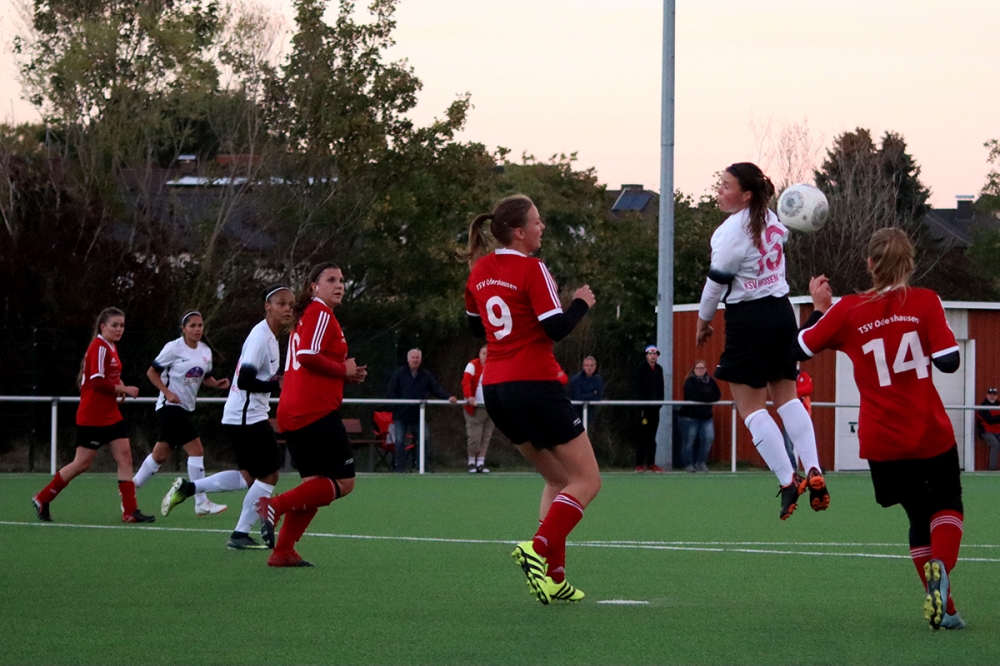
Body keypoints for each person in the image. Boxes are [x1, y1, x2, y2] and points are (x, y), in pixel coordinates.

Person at [795, 227, 966, 630]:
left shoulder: (848, 309)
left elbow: (799, 348)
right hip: (929, 429)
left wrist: (821, 308)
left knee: (916, 515)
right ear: (911, 263)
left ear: (869, 264)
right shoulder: (925, 301)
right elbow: (949, 362)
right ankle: (942, 566)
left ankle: (948, 610)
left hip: (882, 438)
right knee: (947, 503)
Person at [464, 193, 601, 604]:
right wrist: (581, 303)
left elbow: (476, 329)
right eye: (537, 222)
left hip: (498, 390)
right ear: (519, 232)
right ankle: (538, 549)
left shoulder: (480, 269)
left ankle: (554, 580)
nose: (542, 227)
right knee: (588, 481)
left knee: (557, 480)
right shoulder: (532, 268)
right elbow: (556, 328)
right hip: (535, 384)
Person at [695, 162, 828, 520]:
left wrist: (702, 323)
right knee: (787, 398)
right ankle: (814, 467)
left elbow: (714, 287)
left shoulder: (729, 233)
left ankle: (789, 480)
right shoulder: (771, 218)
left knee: (752, 409)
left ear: (747, 194)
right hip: (781, 311)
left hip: (748, 319)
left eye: (726, 185)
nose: (719, 191)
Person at [161, 286, 295, 550]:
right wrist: (280, 385)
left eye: (291, 304)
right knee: (269, 476)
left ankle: (189, 489)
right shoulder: (260, 337)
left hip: (242, 416)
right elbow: (245, 380)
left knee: (248, 477)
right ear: (267, 306)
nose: (288, 308)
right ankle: (240, 534)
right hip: (248, 417)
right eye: (281, 303)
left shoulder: (270, 336)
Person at [256, 263, 368, 567]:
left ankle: (282, 551)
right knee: (344, 483)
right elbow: (306, 356)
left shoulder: (310, 315)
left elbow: (313, 356)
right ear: (313, 287)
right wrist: (342, 369)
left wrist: (347, 374)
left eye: (342, 280)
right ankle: (275, 505)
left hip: (297, 410)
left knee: (315, 486)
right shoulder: (319, 312)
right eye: (331, 279)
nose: (339, 284)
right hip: (313, 410)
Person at [32, 307, 155, 523]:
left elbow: (108, 377)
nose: (119, 329)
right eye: (114, 325)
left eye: (122, 325)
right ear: (103, 326)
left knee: (125, 456)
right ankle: (43, 498)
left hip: (111, 414)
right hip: (93, 416)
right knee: (81, 463)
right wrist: (123, 389)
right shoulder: (99, 347)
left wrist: (119, 385)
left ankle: (130, 511)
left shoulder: (110, 347)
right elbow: (97, 381)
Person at [132, 311, 230, 515]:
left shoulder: (205, 351)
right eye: (192, 326)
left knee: (160, 455)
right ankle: (201, 501)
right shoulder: (173, 348)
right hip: (169, 408)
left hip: (184, 408)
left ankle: (130, 490)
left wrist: (217, 384)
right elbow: (152, 372)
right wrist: (167, 393)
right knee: (197, 450)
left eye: (200, 325)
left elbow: (204, 377)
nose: (197, 329)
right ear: (183, 329)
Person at [385, 348, 457, 473]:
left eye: (417, 358)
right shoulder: (399, 374)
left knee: (425, 438)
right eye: (413, 357)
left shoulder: (425, 374)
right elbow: (391, 392)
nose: (415, 360)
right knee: (399, 440)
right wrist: (399, 405)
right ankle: (399, 468)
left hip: (418, 415)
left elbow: (435, 388)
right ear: (408, 359)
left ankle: (422, 466)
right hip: (401, 415)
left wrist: (448, 397)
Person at [678, 360, 721, 473]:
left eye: (702, 368)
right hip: (689, 417)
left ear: (706, 369)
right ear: (694, 370)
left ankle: (701, 462)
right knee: (689, 441)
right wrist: (707, 397)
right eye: (698, 368)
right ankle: (688, 464)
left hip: (706, 417)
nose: (700, 370)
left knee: (708, 438)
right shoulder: (689, 382)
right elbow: (691, 396)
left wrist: (704, 397)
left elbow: (717, 395)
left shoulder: (711, 381)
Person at [462, 344, 494, 473]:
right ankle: (471, 461)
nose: (486, 357)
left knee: (486, 436)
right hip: (475, 408)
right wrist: (469, 397)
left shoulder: (495, 367)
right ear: (479, 354)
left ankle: (481, 462)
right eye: (484, 353)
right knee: (474, 436)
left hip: (490, 408)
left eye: (488, 354)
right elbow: (465, 382)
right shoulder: (472, 365)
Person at [634, 345, 666, 473]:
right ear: (646, 355)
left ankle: (651, 463)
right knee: (642, 436)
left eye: (655, 353)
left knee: (652, 437)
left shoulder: (659, 369)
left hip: (655, 409)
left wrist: (659, 404)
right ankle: (639, 464)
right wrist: (643, 405)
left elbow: (660, 388)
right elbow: (638, 388)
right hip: (644, 409)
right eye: (651, 353)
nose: (653, 355)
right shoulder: (640, 369)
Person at [781, 365, 814, 468]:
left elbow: (808, 388)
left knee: (806, 444)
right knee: (787, 445)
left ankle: (812, 467)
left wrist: (792, 393)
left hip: (803, 415)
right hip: (788, 415)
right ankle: (792, 467)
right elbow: (782, 393)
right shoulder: (785, 378)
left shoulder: (803, 376)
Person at [975, 387, 1000, 470]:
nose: (992, 397)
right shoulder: (983, 407)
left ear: (996, 396)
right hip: (986, 431)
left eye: (994, 395)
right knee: (995, 444)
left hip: (997, 430)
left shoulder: (998, 404)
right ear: (987, 395)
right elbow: (990, 420)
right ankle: (992, 468)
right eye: (990, 395)